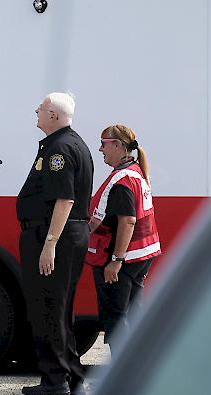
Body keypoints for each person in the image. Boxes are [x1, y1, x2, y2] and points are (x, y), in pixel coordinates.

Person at [17, 92, 94, 395]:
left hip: (53, 236)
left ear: (54, 115)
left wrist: (49, 243)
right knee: (59, 310)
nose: (36, 110)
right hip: (64, 235)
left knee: (48, 308)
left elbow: (65, 199)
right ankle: (71, 376)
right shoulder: (70, 144)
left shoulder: (60, 149)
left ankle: (55, 379)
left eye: (42, 108)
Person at [87, 124, 161, 353]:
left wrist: (116, 260)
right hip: (141, 255)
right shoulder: (136, 171)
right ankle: (140, 368)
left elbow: (127, 221)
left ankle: (123, 373)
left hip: (123, 260)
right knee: (133, 313)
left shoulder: (123, 180)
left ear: (118, 145)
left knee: (117, 318)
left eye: (103, 144)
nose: (100, 149)